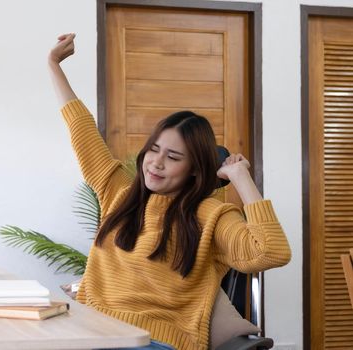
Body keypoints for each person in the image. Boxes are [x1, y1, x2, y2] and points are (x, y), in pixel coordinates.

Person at [48, 33, 292, 350]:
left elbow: (271, 251)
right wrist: (53, 65)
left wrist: (241, 177)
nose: (156, 163)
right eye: (154, 150)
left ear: (195, 168)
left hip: (157, 343)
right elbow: (81, 127)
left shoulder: (213, 217)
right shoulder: (119, 191)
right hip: (94, 333)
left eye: (173, 157)